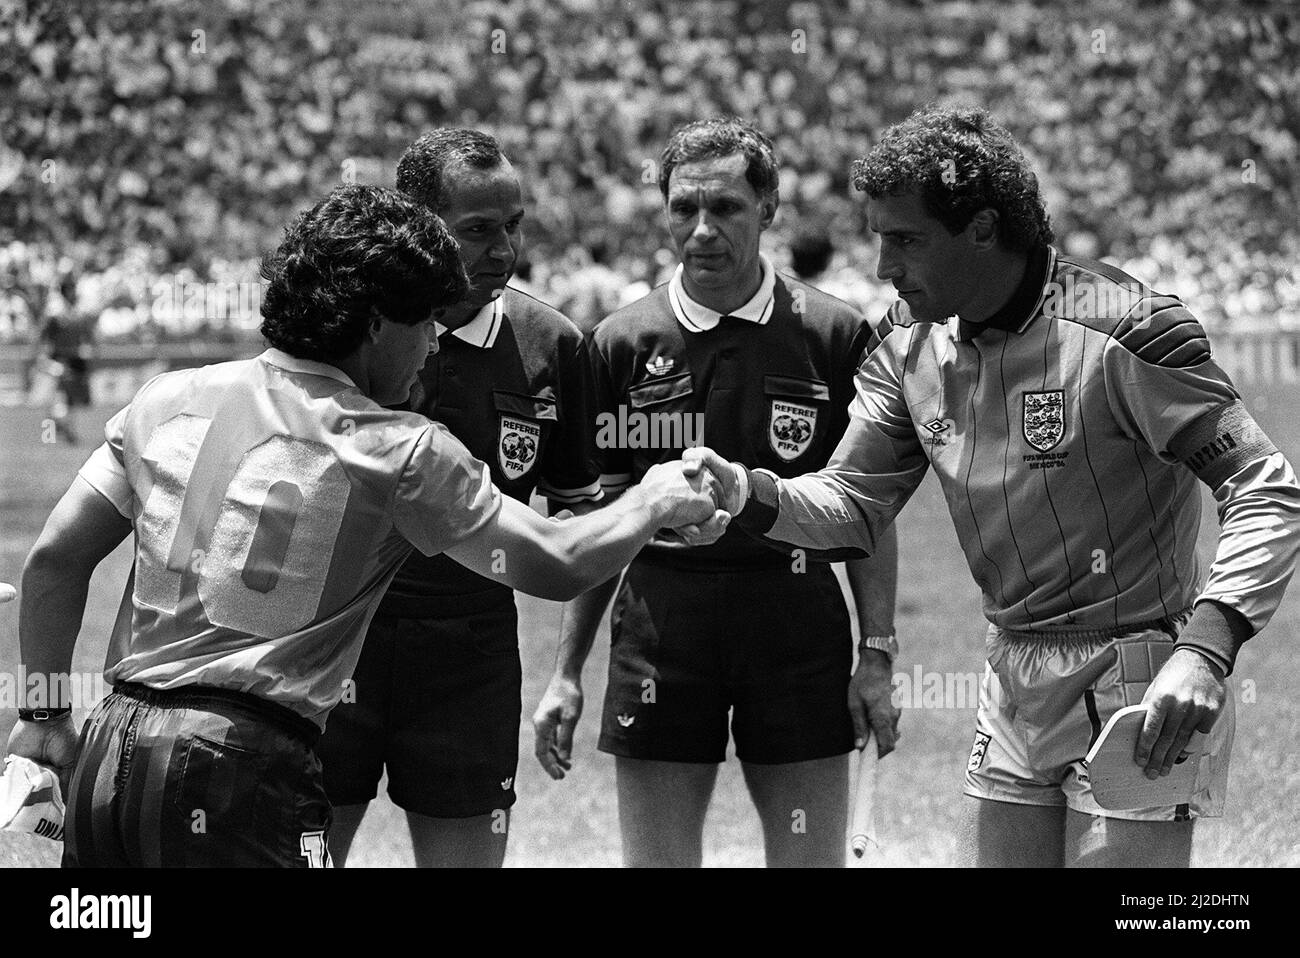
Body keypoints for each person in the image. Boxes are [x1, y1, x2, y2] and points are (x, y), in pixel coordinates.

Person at [7, 184, 724, 868]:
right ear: (377, 325)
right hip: (237, 768)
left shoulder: (166, 398)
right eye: (426, 325)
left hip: (110, 755)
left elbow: (55, 561)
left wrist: (42, 713)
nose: (435, 347)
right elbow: (556, 561)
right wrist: (655, 497)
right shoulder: (398, 448)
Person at [687, 105, 1300, 868]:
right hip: (1012, 670)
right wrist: (747, 491)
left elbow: (1264, 486)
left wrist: (1206, 651)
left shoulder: (1126, 331)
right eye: (879, 238)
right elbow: (851, 505)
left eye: (905, 239)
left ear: (981, 230)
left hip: (1140, 672)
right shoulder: (904, 347)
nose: (883, 266)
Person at [532, 117, 901, 868]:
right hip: (662, 624)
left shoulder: (834, 336)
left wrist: (880, 654)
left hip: (796, 620)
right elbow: (600, 519)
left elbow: (869, 512)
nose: (701, 230)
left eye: (726, 208)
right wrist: (566, 672)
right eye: (682, 209)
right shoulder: (620, 342)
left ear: (768, 210)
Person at [316, 130, 603, 868]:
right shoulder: (345, 331)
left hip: (469, 653)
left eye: (514, 227)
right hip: (332, 641)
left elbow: (577, 516)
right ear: (418, 224)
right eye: (478, 231)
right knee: (303, 858)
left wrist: (567, 673)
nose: (504, 252)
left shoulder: (553, 344)